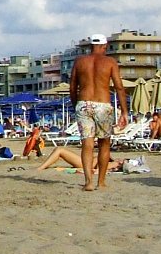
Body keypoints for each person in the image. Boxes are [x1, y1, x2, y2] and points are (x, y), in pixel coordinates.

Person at [68, 34, 129, 191]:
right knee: (104, 143)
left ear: (90, 46)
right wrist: (124, 111)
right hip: (103, 104)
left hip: (83, 103)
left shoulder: (79, 61)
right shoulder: (110, 62)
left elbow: (72, 87)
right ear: (105, 46)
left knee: (87, 144)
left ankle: (88, 182)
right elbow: (119, 87)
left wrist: (76, 105)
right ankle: (101, 182)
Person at [35, 146, 123, 173]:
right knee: (59, 150)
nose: (120, 159)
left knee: (59, 150)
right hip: (84, 161)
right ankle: (43, 166)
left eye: (122, 160)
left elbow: (100, 168)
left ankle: (41, 168)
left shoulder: (115, 164)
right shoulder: (113, 162)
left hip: (83, 163)